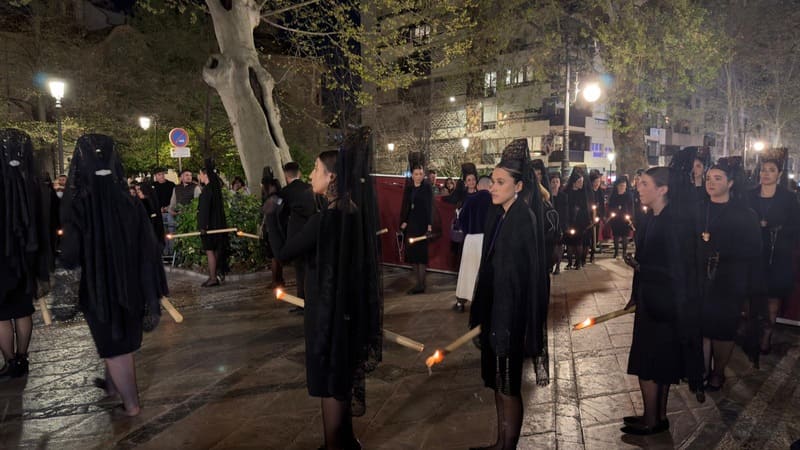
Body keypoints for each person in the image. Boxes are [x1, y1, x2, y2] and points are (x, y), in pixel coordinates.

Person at [267, 129, 382, 450]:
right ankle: (345, 441)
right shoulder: (353, 211)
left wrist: (272, 216)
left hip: (327, 313)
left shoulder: (326, 219)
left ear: (332, 177)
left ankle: (334, 444)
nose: (311, 175)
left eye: (316, 169)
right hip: (348, 311)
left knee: (330, 381)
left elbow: (284, 253)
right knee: (341, 377)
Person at [60, 134, 167, 416]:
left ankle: (131, 405)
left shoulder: (79, 206)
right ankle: (113, 386)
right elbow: (148, 246)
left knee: (113, 346)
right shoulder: (129, 202)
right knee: (119, 343)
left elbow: (70, 253)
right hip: (131, 285)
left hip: (98, 289)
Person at [469, 139, 549, 450]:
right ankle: (500, 441)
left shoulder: (523, 218)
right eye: (492, 181)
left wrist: (505, 320)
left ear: (518, 186)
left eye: (500, 182)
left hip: (509, 316)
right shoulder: (501, 214)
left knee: (509, 385)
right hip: (496, 312)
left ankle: (508, 446)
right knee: (498, 382)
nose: (492, 187)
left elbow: (521, 277)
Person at [623, 166, 702, 435]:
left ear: (663, 189)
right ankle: (655, 415)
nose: (639, 188)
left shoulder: (672, 222)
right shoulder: (653, 217)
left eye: (645, 184)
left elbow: (678, 269)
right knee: (659, 362)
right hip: (653, 300)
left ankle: (652, 419)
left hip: (664, 304)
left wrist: (641, 267)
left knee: (650, 362)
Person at [696, 158, 761, 391]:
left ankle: (718, 371)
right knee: (702, 327)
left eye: (717, 178)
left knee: (722, 330)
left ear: (730, 183)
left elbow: (754, 249)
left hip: (729, 280)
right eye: (708, 178)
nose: (711, 182)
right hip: (701, 278)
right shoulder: (699, 209)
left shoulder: (745, 214)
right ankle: (703, 370)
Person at [0, 129, 50, 378]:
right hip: (27, 256)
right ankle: (22, 357)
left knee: (1, 315)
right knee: (23, 309)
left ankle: (10, 361)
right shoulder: (33, 184)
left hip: (1, 259)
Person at [746, 151, 800, 354]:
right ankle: (752, 332)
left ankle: (766, 336)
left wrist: (774, 227)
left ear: (779, 174)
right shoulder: (749, 195)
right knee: (751, 297)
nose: (766, 174)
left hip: (777, 254)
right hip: (754, 253)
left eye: (771, 170)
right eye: (763, 170)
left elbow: (795, 225)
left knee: (773, 298)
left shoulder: (788, 198)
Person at [280, 161, 316, 311]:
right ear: (299, 173)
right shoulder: (310, 188)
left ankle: (302, 302)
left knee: (299, 269)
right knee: (311, 267)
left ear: (286, 175)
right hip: (312, 231)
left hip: (295, 234)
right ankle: (312, 300)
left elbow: (281, 215)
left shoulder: (285, 192)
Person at [453, 174, 492, 312]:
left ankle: (460, 302)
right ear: (490, 185)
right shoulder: (494, 200)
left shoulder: (470, 199)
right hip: (487, 240)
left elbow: (461, 219)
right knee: (485, 272)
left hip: (471, 239)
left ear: (479, 186)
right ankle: (485, 303)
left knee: (467, 271)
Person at [399, 153, 434, 294]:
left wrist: (429, 225)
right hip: (411, 225)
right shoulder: (409, 188)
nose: (418, 176)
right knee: (412, 255)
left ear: (423, 175)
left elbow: (430, 207)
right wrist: (404, 222)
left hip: (422, 224)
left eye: (420, 174)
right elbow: (406, 206)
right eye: (416, 174)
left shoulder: (426, 188)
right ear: (412, 175)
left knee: (421, 256)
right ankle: (418, 284)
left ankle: (421, 285)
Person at [197, 160, 230, 287]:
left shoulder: (207, 190)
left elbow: (204, 210)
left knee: (210, 251)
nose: (199, 176)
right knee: (216, 251)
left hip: (209, 226)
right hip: (218, 224)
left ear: (205, 175)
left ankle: (212, 277)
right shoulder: (215, 189)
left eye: (200, 174)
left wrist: (202, 226)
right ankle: (215, 275)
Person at [260, 167, 285, 289]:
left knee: (274, 256)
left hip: (271, 224)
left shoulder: (267, 188)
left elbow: (265, 209)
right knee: (275, 255)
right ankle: (278, 279)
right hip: (277, 222)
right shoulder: (276, 185)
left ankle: (276, 280)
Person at [564, 168, 590, 269]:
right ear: (574, 182)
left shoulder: (583, 193)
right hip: (569, 220)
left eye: (582, 181)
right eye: (579, 181)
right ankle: (570, 262)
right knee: (569, 243)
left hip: (580, 221)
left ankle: (578, 262)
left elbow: (585, 207)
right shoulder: (567, 192)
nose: (581, 184)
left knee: (579, 242)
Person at [607, 176, 634, 259]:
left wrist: (631, 216)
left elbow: (631, 207)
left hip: (625, 218)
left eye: (624, 186)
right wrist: (612, 213)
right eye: (621, 186)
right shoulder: (613, 196)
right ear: (617, 186)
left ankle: (624, 252)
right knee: (616, 235)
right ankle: (616, 252)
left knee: (624, 236)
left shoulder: (628, 195)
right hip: (616, 218)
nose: (622, 187)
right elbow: (610, 206)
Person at [549, 175, 568, 274]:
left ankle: (558, 266)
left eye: (557, 181)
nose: (555, 184)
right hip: (550, 223)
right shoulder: (547, 195)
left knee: (559, 246)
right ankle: (551, 264)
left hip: (560, 223)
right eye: (553, 181)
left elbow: (565, 211)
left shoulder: (563, 196)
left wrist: (564, 225)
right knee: (551, 247)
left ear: (560, 183)